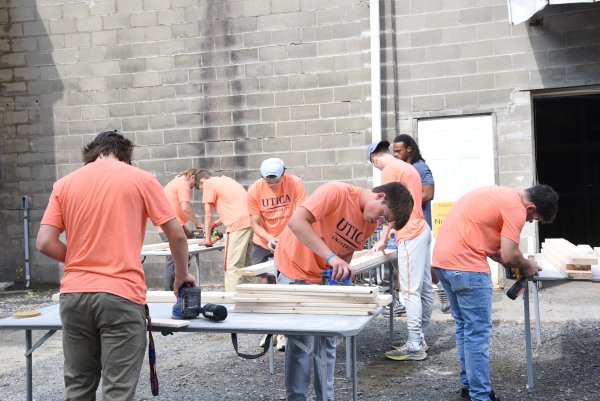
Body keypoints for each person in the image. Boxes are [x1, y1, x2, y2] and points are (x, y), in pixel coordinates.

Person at [36, 131, 194, 401]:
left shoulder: (64, 184)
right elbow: (177, 234)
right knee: (117, 392)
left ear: (92, 152)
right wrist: (181, 275)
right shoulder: (141, 179)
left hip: (74, 296)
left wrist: (81, 261)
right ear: (126, 155)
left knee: (78, 387)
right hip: (120, 295)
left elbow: (45, 243)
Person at [275, 181, 414, 401]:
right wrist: (332, 258)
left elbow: (347, 249)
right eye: (383, 216)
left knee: (328, 340)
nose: (380, 223)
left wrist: (343, 272)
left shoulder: (368, 222)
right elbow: (297, 222)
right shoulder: (337, 193)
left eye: (385, 222)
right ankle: (296, 397)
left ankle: (326, 398)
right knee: (301, 341)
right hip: (295, 269)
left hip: (323, 276)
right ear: (380, 197)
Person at [432, 185, 558, 401]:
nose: (529, 222)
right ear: (531, 207)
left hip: (443, 264)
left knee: (465, 328)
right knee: (478, 333)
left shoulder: (496, 194)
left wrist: (515, 260)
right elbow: (509, 255)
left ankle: (468, 388)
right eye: (534, 218)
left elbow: (493, 247)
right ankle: (480, 396)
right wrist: (526, 264)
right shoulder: (516, 208)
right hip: (467, 268)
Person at [368, 140, 434, 361]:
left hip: (410, 232)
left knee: (409, 291)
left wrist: (384, 239)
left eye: (374, 165)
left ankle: (415, 343)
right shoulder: (408, 167)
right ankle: (420, 337)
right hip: (422, 228)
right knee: (423, 286)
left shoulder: (389, 170)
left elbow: (389, 209)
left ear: (375, 159)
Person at [248, 158, 306, 351]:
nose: (272, 185)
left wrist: (288, 237)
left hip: (289, 238)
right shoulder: (255, 190)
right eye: (268, 181)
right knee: (266, 283)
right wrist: (270, 238)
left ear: (284, 173)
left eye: (276, 181)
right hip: (265, 240)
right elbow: (255, 223)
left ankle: (284, 331)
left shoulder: (295, 182)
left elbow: (300, 214)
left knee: (287, 283)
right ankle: (269, 328)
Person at [393, 134, 450, 313]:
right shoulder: (403, 169)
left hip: (419, 226)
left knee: (414, 267)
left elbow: (429, 193)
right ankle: (441, 291)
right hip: (404, 225)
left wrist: (404, 202)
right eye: (393, 152)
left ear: (409, 149)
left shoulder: (420, 168)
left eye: (398, 151)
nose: (395, 154)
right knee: (411, 265)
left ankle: (405, 302)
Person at [197, 170, 253, 292]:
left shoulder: (208, 184)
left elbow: (207, 214)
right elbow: (235, 208)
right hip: (250, 222)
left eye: (200, 188)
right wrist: (214, 225)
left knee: (232, 266)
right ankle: (251, 296)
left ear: (202, 181)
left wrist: (207, 240)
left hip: (237, 226)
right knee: (247, 264)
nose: (202, 189)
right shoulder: (226, 180)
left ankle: (231, 299)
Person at [160, 168, 204, 291]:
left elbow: (174, 210)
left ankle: (178, 287)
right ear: (192, 178)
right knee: (173, 259)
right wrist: (198, 223)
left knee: (178, 258)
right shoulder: (183, 184)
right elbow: (185, 208)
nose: (190, 188)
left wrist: (186, 227)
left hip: (172, 225)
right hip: (170, 228)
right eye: (192, 186)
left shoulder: (175, 182)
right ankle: (169, 291)